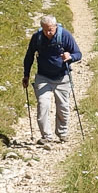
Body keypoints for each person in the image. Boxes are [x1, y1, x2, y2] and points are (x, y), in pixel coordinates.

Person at [21, 14, 82, 144]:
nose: (48, 32)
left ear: (55, 26)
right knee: (43, 104)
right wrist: (26, 74)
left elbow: (78, 54)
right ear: (41, 27)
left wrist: (70, 57)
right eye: (45, 29)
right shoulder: (37, 37)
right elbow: (29, 56)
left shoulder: (65, 35)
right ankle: (46, 136)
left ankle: (62, 133)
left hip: (62, 77)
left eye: (51, 29)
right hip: (43, 77)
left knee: (63, 107)